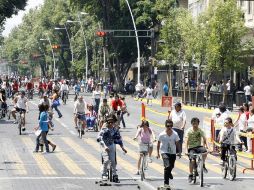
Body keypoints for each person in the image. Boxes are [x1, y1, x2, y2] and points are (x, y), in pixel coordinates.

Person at [97, 116, 127, 182]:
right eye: (109, 122)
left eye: (112, 122)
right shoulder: (104, 129)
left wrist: (123, 148)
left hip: (111, 146)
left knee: (113, 161)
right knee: (106, 160)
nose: (111, 123)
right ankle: (104, 174)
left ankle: (115, 175)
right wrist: (105, 147)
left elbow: (119, 139)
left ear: (114, 123)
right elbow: (99, 138)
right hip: (104, 146)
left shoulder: (115, 130)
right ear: (107, 123)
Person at [157, 120, 181, 188]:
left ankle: (169, 173)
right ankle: (166, 184)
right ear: (165, 126)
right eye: (168, 126)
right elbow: (158, 143)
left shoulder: (175, 134)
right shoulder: (162, 134)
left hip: (172, 152)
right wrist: (158, 153)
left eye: (171, 126)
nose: (169, 127)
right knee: (167, 166)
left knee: (171, 166)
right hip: (164, 152)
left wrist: (179, 152)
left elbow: (177, 143)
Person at [186, 117, 208, 183]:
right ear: (192, 124)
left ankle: (203, 164)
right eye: (193, 123)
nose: (195, 125)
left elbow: (204, 139)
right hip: (191, 148)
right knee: (192, 160)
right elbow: (186, 140)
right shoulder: (189, 131)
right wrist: (186, 150)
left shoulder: (200, 130)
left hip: (198, 147)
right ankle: (190, 174)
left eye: (196, 123)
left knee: (205, 152)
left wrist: (207, 147)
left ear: (198, 124)